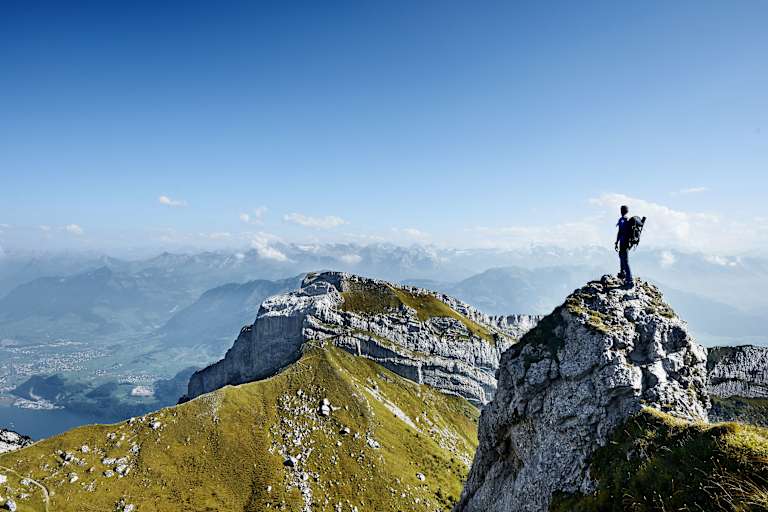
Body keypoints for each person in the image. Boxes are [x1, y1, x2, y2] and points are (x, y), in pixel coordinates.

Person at [615, 205, 633, 289]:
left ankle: (629, 280)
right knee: (622, 257)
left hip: (623, 242)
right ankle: (623, 274)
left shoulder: (622, 220)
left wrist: (616, 241)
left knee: (625, 260)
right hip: (627, 242)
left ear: (621, 211)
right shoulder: (628, 220)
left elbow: (620, 232)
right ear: (627, 211)